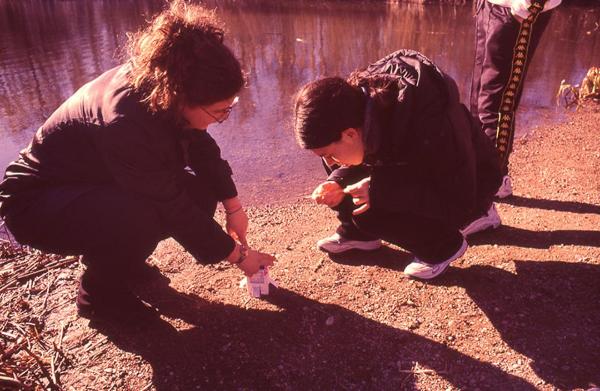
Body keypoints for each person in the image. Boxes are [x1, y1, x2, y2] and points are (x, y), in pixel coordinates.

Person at [0, 1, 274, 321]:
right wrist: (241, 257)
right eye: (219, 111)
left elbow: (200, 146)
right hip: (36, 207)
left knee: (199, 193)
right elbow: (168, 202)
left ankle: (120, 261)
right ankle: (98, 296)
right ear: (184, 98)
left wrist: (234, 207)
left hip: (90, 184)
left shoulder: (165, 83)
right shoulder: (127, 123)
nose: (223, 118)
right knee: (144, 212)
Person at [293, 50, 502, 280]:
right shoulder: (358, 106)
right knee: (344, 177)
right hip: (417, 167)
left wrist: (380, 190)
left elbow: (457, 198)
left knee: (371, 210)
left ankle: (442, 246)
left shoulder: (430, 124)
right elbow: (375, 155)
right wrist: (337, 182)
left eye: (328, 153)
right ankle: (359, 234)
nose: (328, 161)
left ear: (350, 133)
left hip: (467, 185)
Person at [470, 0, 561, 198]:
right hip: (490, 6)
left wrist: (528, 7)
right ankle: (478, 172)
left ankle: (494, 179)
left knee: (498, 99)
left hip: (517, 10)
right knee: (479, 96)